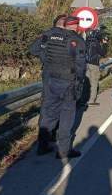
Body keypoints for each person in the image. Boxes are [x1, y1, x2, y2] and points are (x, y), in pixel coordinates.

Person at [30, 15, 87, 159]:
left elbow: (34, 50)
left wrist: (47, 62)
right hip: (69, 83)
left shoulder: (49, 36)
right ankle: (63, 150)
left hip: (51, 81)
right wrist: (80, 84)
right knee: (67, 116)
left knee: (49, 113)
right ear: (76, 26)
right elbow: (81, 67)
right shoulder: (77, 41)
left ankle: (42, 146)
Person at [85, 24, 109, 104]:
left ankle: (84, 99)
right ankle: (91, 100)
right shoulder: (96, 44)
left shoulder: (86, 42)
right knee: (94, 82)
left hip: (86, 64)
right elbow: (103, 53)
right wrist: (105, 43)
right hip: (94, 64)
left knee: (86, 82)